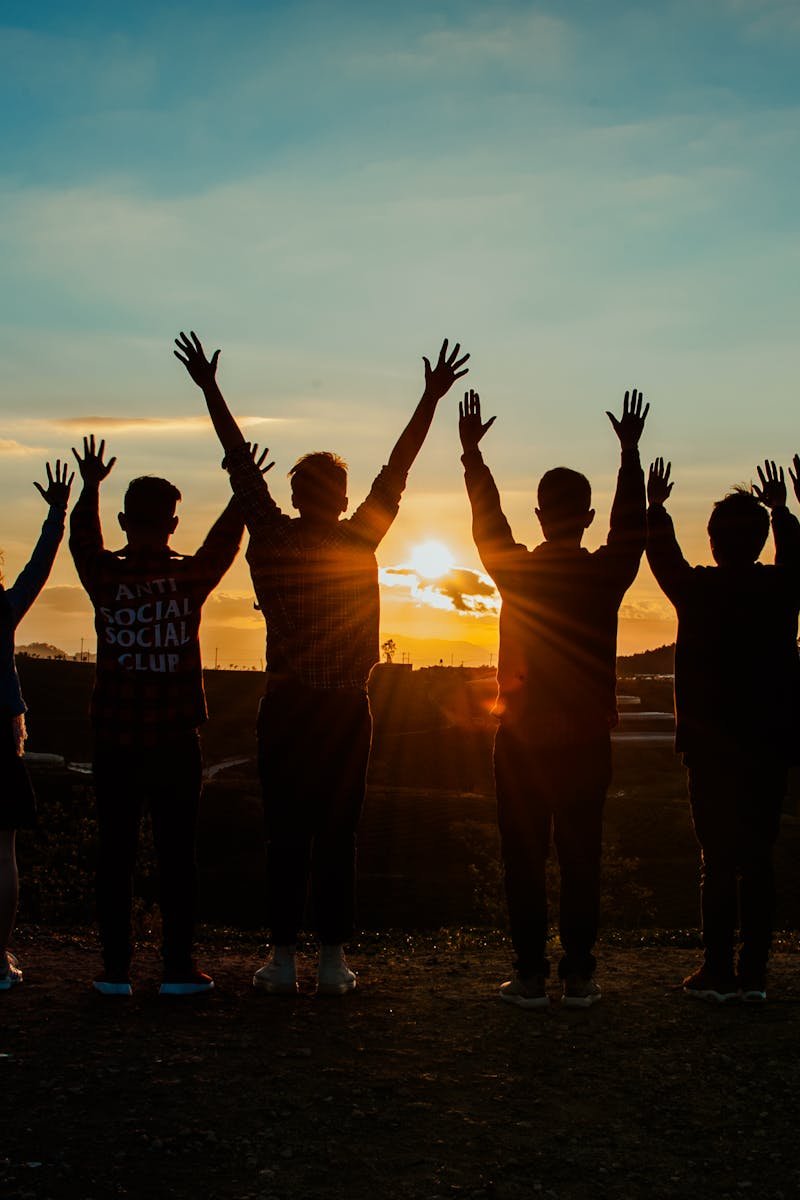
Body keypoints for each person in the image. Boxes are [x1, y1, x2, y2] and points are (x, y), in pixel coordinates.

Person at [175, 330, 468, 995]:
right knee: (338, 834)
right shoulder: (360, 536)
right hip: (341, 710)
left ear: (296, 492)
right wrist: (429, 398)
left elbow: (238, 462)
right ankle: (332, 960)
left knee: (285, 835)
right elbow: (399, 468)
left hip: (287, 706)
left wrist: (210, 388)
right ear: (338, 497)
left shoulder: (273, 536)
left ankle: (281, 958)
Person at [459, 387, 648, 1008]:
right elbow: (632, 530)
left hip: (520, 738)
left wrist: (472, 459)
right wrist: (629, 454)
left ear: (539, 515)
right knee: (581, 858)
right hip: (588, 739)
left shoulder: (517, 570)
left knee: (524, 859)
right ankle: (581, 976)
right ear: (586, 515)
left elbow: (489, 525)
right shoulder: (605, 573)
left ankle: (532, 975)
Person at [70, 435, 249, 996]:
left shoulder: (104, 577)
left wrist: (90, 487)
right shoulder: (190, 578)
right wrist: (241, 490)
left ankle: (114, 971)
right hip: (175, 740)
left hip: (114, 739)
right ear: (173, 523)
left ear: (124, 520)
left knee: (115, 854)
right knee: (178, 857)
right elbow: (225, 544)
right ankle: (176, 968)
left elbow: (81, 540)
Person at [647, 456, 800, 1004]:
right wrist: (785, 510)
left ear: (711, 541)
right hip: (769, 744)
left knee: (717, 860)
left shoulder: (699, 592)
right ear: (761, 541)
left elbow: (663, 558)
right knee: (758, 859)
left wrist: (656, 508)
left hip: (710, 750)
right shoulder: (782, 591)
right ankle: (753, 975)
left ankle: (716, 971)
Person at [0, 461, 73, 990]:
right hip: (0, 735)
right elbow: (37, 571)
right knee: (2, 852)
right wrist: (56, 515)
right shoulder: (2, 609)